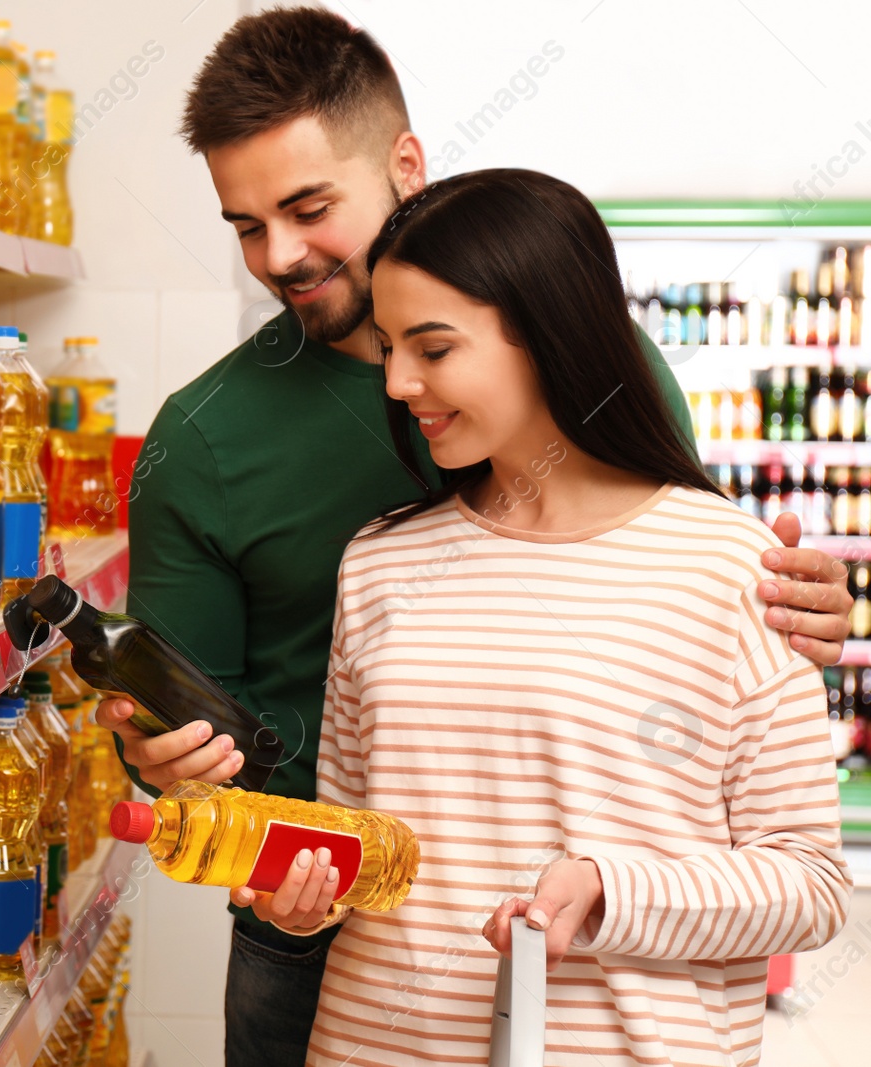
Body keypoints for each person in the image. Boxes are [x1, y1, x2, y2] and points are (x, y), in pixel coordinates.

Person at [94, 9, 853, 1067]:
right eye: (242, 224)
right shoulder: (210, 440)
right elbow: (186, 739)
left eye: (309, 208)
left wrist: (796, 602)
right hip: (329, 929)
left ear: (404, 163)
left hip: (612, 977)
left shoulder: (621, 388)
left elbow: (676, 579)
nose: (278, 254)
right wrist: (159, 757)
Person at [252, 166, 850, 1066]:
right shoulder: (378, 564)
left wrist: (608, 891)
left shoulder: (732, 567)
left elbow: (811, 885)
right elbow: (357, 842)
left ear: (547, 334)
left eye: (435, 347)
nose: (400, 382)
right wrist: (306, 892)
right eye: (387, 348)